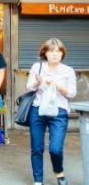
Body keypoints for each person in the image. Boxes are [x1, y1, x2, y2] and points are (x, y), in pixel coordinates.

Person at [27, 38, 76, 185]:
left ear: (62, 54)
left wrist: (57, 85)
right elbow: (29, 87)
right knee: (36, 148)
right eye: (51, 51)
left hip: (59, 112)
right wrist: (38, 82)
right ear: (45, 53)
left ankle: (59, 172)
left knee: (55, 149)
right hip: (38, 111)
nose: (55, 54)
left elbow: (72, 94)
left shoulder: (68, 71)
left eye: (58, 51)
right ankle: (38, 181)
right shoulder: (37, 67)